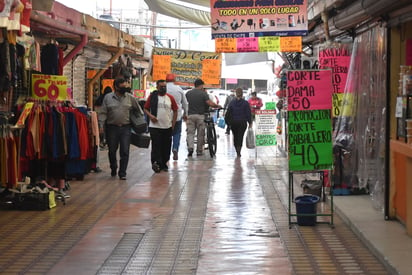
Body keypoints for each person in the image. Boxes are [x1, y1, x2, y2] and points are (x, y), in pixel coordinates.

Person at [98, 77, 142, 180]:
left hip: (126, 127)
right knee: (112, 150)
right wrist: (101, 126)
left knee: (125, 151)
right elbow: (103, 113)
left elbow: (139, 111)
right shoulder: (108, 98)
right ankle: (114, 167)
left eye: (126, 86)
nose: (125, 88)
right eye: (122, 86)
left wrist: (138, 122)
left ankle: (122, 173)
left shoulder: (130, 98)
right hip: (112, 127)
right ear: (116, 87)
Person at [144, 79, 178, 173]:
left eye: (164, 87)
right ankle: (156, 163)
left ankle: (164, 163)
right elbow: (146, 109)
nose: (163, 88)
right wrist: (151, 116)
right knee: (156, 146)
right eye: (161, 87)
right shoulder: (152, 97)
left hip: (167, 126)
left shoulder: (170, 97)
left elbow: (175, 110)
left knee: (166, 146)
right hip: (154, 126)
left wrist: (173, 123)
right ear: (157, 87)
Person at [185, 78, 222, 157]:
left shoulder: (188, 93)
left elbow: (185, 103)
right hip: (200, 116)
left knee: (190, 133)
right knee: (200, 134)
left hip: (190, 116)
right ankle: (199, 151)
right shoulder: (203, 94)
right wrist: (217, 106)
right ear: (201, 85)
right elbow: (210, 103)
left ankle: (190, 148)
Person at [166, 73, 188, 161]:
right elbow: (185, 103)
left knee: (166, 134)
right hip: (177, 115)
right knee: (177, 133)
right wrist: (185, 113)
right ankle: (175, 148)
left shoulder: (163, 88)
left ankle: (166, 152)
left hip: (165, 116)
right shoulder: (179, 89)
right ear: (174, 80)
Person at [227, 87, 253, 157]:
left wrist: (228, 122)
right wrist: (250, 122)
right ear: (242, 94)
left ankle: (237, 150)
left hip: (234, 122)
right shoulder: (245, 103)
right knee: (240, 136)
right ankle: (239, 151)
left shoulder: (232, 103)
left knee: (235, 136)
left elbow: (228, 113)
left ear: (236, 94)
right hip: (242, 122)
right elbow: (248, 113)